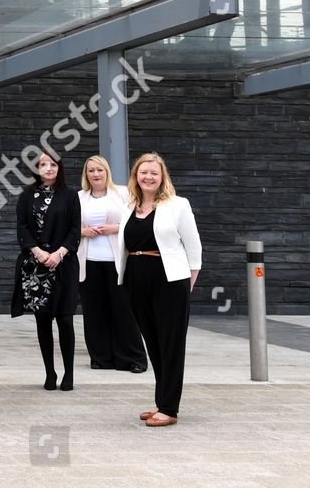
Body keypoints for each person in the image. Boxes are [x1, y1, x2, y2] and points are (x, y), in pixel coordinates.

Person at [116, 152, 201, 428]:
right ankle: (161, 400)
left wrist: (188, 283)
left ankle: (169, 407)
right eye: (143, 172)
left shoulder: (178, 205)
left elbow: (194, 248)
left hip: (169, 280)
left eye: (154, 172)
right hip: (136, 280)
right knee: (153, 341)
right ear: (136, 176)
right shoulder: (129, 205)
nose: (148, 177)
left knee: (171, 343)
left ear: (162, 176)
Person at [11, 153, 81, 392]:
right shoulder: (26, 196)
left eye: (53, 164)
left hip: (64, 264)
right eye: (43, 165)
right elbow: (21, 227)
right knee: (43, 320)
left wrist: (59, 253)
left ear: (59, 167)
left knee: (65, 319)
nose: (48, 168)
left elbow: (75, 229)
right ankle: (50, 372)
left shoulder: (71, 195)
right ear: (36, 169)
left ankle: (68, 374)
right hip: (36, 266)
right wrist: (38, 252)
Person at [77, 155, 146, 373]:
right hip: (89, 262)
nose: (96, 174)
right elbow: (68, 228)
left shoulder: (123, 193)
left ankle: (133, 358)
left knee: (124, 311)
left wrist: (114, 228)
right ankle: (100, 358)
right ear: (86, 175)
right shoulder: (79, 197)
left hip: (116, 262)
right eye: (91, 171)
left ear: (107, 172)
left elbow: (136, 220)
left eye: (100, 170)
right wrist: (84, 232)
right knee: (95, 312)